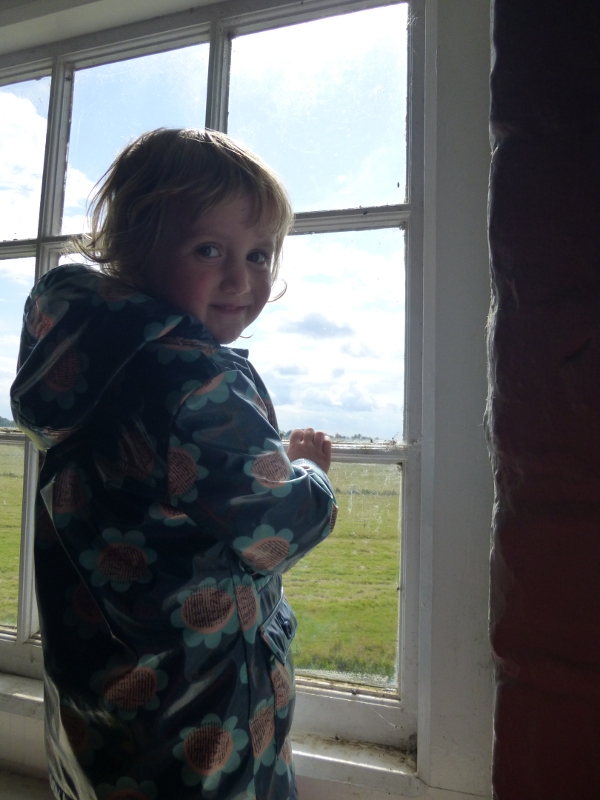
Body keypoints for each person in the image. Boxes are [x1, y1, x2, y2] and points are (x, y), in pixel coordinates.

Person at [11, 128, 337, 800]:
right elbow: (274, 526)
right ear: (133, 245)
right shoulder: (193, 379)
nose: (241, 278)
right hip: (204, 707)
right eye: (209, 249)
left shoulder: (81, 358)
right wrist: (309, 470)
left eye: (259, 253)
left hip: (101, 686)